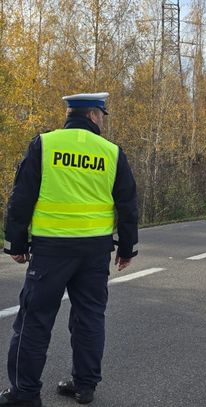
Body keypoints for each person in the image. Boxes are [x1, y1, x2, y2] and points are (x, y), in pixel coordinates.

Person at [0, 93, 138, 406]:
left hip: (51, 249)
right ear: (93, 116)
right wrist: (127, 248)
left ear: (70, 114)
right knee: (89, 317)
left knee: (35, 320)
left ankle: (25, 393)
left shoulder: (45, 145)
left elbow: (21, 198)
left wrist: (15, 244)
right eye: (102, 115)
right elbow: (128, 205)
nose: (103, 120)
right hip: (95, 250)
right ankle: (84, 385)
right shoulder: (112, 153)